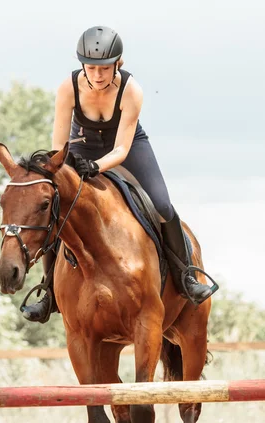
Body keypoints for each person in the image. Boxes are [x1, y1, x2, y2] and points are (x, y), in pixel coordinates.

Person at [22, 25, 216, 323]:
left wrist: (97, 167)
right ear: (82, 66)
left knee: (162, 205)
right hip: (81, 145)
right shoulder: (67, 88)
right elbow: (58, 145)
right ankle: (48, 293)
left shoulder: (131, 90)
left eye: (104, 68)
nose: (98, 75)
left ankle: (186, 277)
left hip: (128, 147)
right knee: (59, 208)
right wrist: (66, 166)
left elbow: (122, 148)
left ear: (117, 63)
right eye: (91, 68)